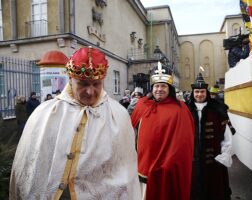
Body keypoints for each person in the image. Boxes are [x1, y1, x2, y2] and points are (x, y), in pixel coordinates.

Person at [10, 47, 141, 199]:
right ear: (70, 79)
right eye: (83, 84)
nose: (90, 91)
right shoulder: (45, 113)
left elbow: (127, 173)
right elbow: (28, 167)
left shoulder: (118, 115)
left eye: (96, 84)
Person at [130, 61, 195, 200]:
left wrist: (168, 164)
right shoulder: (143, 105)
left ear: (169, 88)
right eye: (157, 86)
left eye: (163, 86)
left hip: (167, 169)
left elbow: (184, 144)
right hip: (143, 165)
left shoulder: (180, 109)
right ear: (152, 88)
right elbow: (130, 132)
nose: (159, 89)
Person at [187, 73, 233, 200]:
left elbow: (226, 136)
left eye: (202, 91)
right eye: (197, 92)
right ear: (193, 93)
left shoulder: (217, 110)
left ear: (206, 92)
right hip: (192, 163)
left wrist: (223, 156)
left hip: (214, 162)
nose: (199, 95)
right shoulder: (186, 110)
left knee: (214, 192)